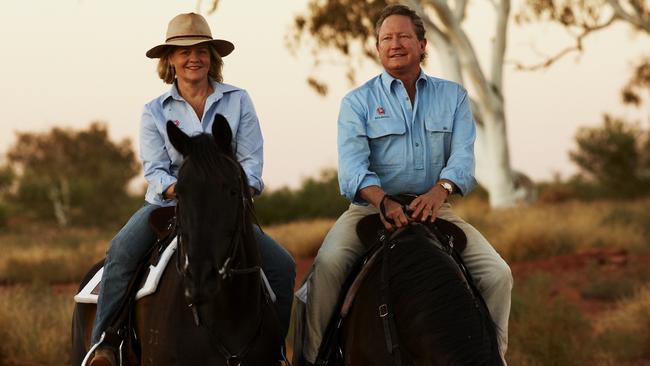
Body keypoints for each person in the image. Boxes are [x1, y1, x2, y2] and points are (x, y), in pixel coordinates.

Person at [302, 4, 513, 365]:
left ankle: (491, 358)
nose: (394, 43)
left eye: (403, 36)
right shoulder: (357, 102)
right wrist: (382, 200)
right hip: (371, 208)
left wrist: (441, 189)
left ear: (422, 44)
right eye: (386, 38)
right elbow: (352, 167)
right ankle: (310, 359)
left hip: (434, 207)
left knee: (498, 274)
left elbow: (462, 158)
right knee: (327, 267)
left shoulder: (454, 97)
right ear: (377, 48)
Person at [89, 13, 295, 366]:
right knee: (122, 252)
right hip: (168, 207)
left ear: (213, 57)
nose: (193, 58)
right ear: (169, 60)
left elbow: (251, 163)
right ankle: (106, 343)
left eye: (201, 50)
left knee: (282, 266)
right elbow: (154, 170)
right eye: (183, 52)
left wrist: (227, 191)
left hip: (226, 208)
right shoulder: (154, 111)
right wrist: (181, 189)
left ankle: (273, 350)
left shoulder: (239, 100)